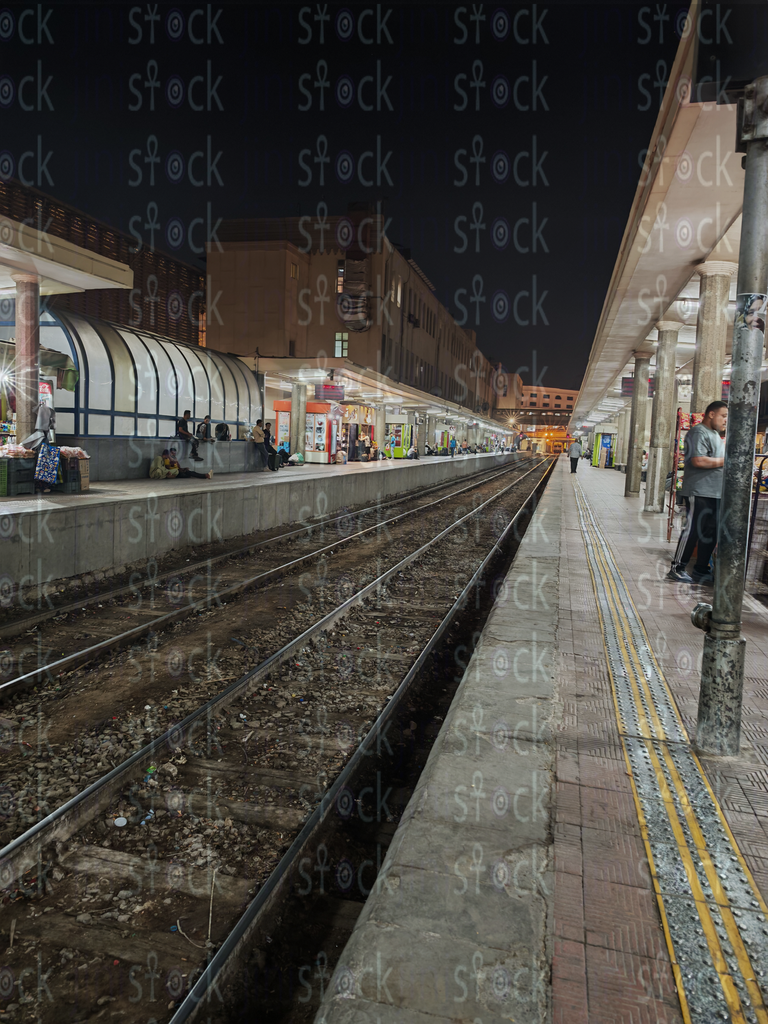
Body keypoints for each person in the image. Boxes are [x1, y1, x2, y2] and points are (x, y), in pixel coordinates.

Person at [667, 401, 728, 584]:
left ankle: (701, 569)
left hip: (715, 492)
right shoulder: (698, 432)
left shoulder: (715, 435)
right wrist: (727, 461)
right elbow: (698, 461)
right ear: (711, 414)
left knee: (711, 531)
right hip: (699, 490)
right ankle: (677, 568)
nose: (726, 420)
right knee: (693, 529)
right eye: (723, 416)